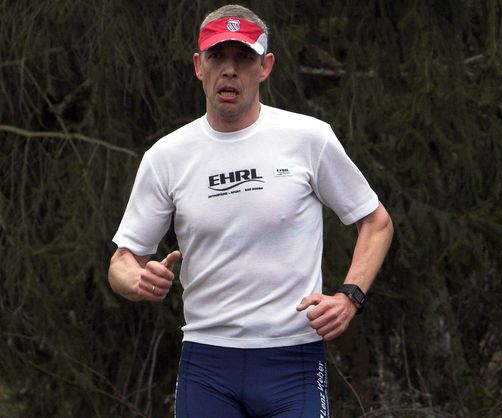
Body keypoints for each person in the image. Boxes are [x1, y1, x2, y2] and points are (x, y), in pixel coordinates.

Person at [108, 4, 393, 418]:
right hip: (207, 364)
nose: (229, 70)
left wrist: (350, 297)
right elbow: (122, 260)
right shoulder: (166, 156)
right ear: (198, 66)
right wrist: (136, 279)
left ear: (265, 67)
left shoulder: (308, 139)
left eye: (243, 57)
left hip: (292, 359)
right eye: (217, 57)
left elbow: (376, 221)